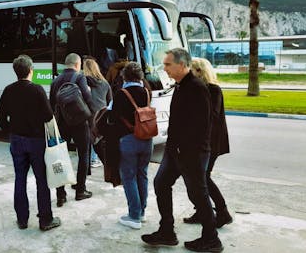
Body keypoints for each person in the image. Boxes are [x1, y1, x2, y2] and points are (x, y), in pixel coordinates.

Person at [141, 48, 223, 253]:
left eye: (168, 64)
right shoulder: (180, 86)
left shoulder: (196, 87)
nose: (165, 68)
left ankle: (211, 239)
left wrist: (183, 150)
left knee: (198, 194)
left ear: (182, 65)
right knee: (161, 183)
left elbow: (202, 126)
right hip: (176, 151)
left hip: (191, 153)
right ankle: (167, 231)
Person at [0, 54, 61, 231]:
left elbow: (0, 116)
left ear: (16, 72)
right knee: (41, 180)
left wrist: (11, 130)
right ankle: (45, 220)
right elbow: (48, 116)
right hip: (36, 141)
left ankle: (22, 219)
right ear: (31, 70)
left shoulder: (8, 90)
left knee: (20, 179)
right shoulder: (37, 90)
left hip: (17, 140)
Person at [184, 58, 232, 228]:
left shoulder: (213, 90)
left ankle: (222, 211)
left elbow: (211, 117)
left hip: (211, 142)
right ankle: (203, 211)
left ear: (199, 71)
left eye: (192, 70)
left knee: (203, 177)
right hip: (202, 142)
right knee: (199, 178)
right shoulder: (198, 89)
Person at [108, 62, 153, 230]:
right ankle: (142, 212)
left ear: (124, 76)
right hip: (147, 140)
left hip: (128, 140)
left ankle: (134, 216)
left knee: (129, 177)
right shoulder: (147, 92)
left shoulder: (121, 94)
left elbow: (112, 118)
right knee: (142, 175)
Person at [50, 53, 96, 207]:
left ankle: (60, 195)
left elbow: (51, 103)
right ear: (78, 64)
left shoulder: (55, 80)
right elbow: (88, 99)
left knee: (59, 157)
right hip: (79, 123)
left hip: (62, 124)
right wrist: (92, 119)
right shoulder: (79, 77)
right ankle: (80, 190)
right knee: (83, 155)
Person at [83, 57, 112, 168]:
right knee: (97, 139)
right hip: (101, 115)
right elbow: (110, 101)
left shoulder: (83, 81)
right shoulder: (105, 83)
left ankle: (90, 160)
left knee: (87, 138)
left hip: (87, 114)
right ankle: (95, 159)